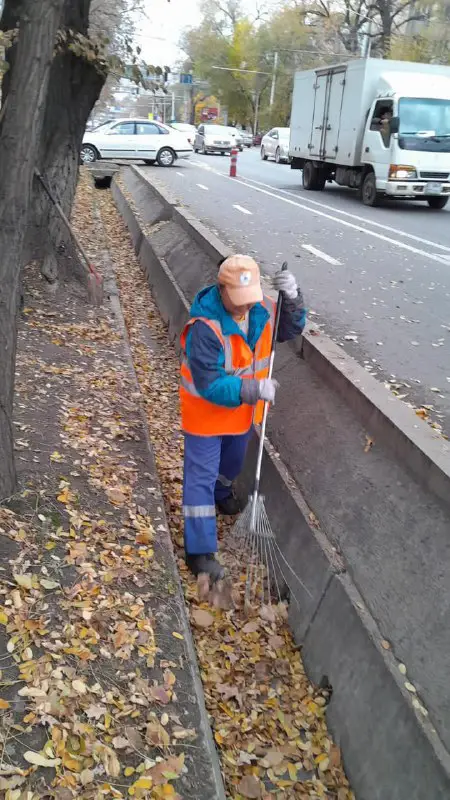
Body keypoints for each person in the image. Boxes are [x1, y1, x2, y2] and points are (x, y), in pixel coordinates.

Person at [179, 254, 307, 581]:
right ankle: (200, 551)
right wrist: (253, 389)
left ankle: (223, 495)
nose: (243, 309)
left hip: (240, 417)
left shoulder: (259, 309)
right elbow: (208, 383)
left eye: (248, 302)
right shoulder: (204, 329)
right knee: (200, 480)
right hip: (206, 418)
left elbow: (289, 328)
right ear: (221, 289)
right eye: (237, 301)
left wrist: (292, 298)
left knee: (231, 466)